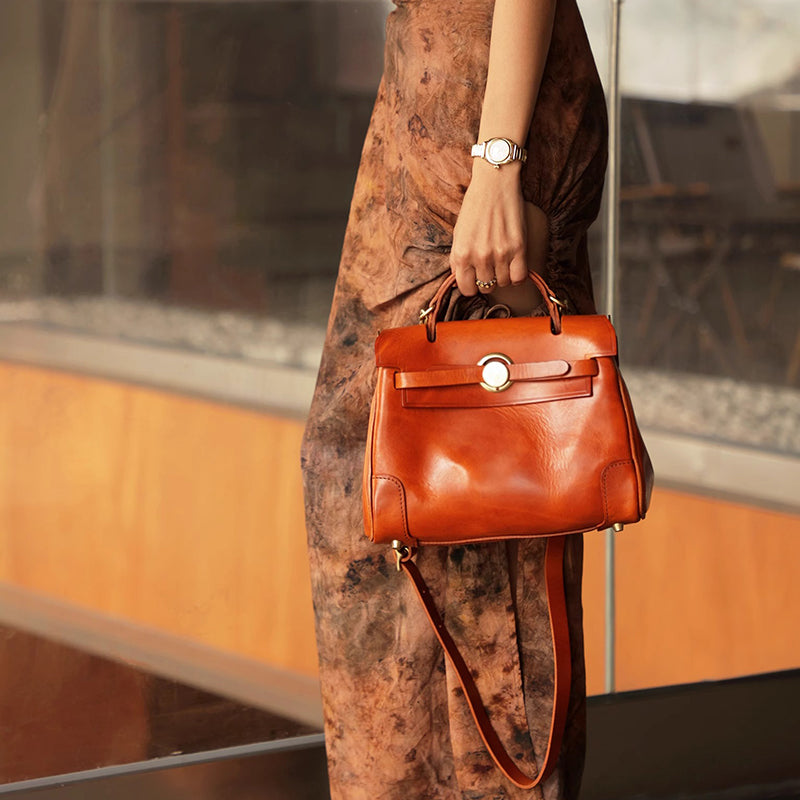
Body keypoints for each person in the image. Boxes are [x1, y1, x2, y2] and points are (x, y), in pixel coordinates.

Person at [301, 0, 607, 797]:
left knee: (482, 518)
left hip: (481, 122)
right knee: (373, 496)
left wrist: (499, 160)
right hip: (434, 101)